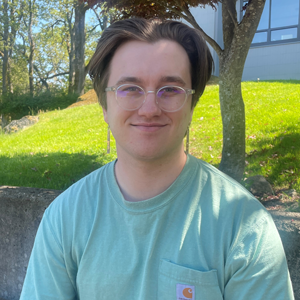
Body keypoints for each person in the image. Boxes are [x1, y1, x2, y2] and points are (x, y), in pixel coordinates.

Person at [20, 18, 294, 300]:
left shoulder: (244, 226)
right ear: (104, 104)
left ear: (191, 104)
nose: (149, 108)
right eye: (130, 89)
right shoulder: (65, 218)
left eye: (171, 90)